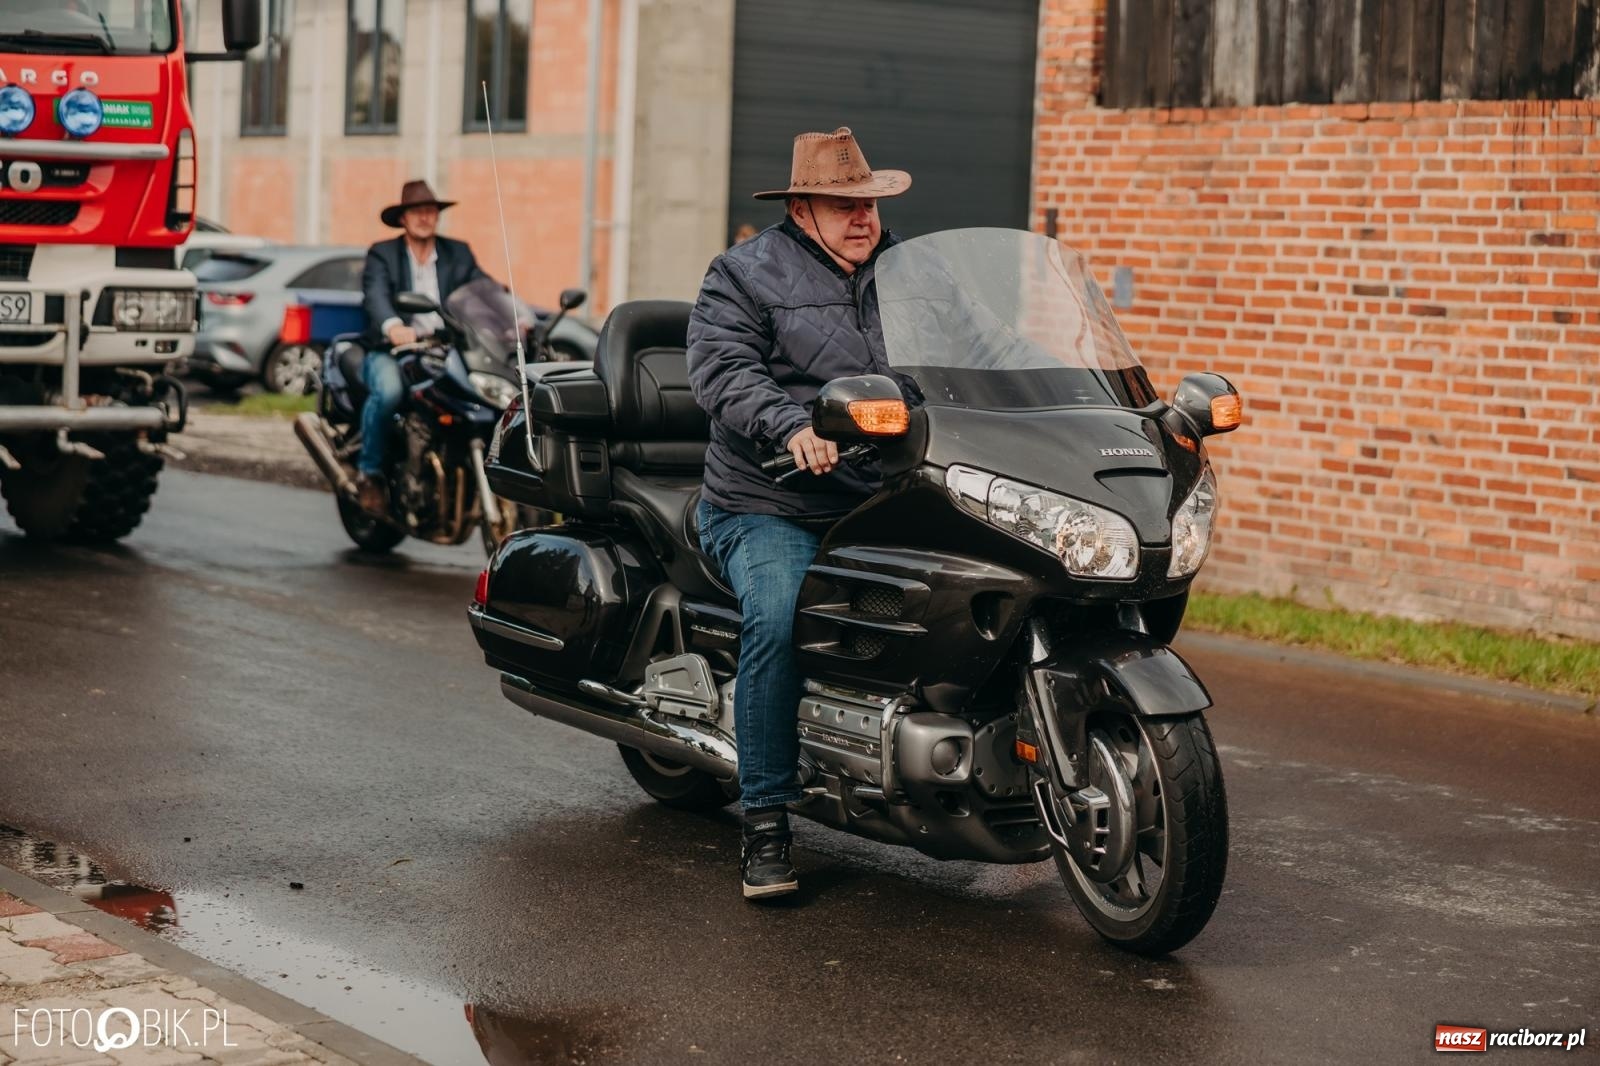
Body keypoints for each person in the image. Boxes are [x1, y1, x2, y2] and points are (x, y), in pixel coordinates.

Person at [686, 127, 912, 900]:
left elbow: (975, 344)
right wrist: (792, 426)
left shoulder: (904, 274)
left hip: (881, 493)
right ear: (802, 208)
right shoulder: (743, 274)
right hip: (769, 500)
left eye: (870, 204)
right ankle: (767, 823)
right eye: (843, 205)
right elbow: (722, 371)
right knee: (778, 617)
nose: (863, 218)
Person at [355, 180, 488, 514]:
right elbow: (375, 295)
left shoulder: (458, 253)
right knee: (387, 393)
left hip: (445, 349)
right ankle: (369, 474)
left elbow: (483, 287)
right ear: (403, 218)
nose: (424, 218)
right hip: (393, 349)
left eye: (430, 211)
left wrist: (516, 315)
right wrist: (393, 326)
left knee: (479, 397)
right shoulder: (382, 254)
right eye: (417, 212)